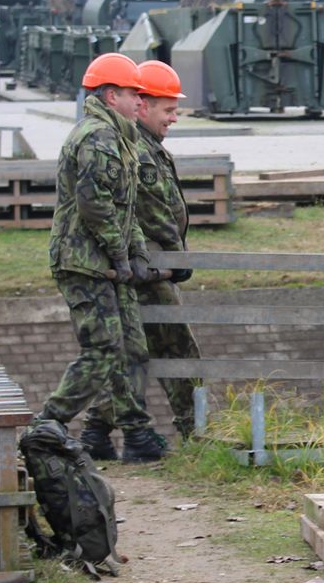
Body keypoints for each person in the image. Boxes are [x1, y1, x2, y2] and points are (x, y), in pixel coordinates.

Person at [35, 52, 166, 464]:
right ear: (112, 96)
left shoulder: (118, 134)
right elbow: (95, 204)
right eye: (133, 94)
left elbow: (127, 207)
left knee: (132, 348)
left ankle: (136, 434)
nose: (138, 102)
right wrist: (121, 254)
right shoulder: (97, 137)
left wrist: (137, 253)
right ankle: (46, 426)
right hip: (85, 262)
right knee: (103, 349)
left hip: (107, 262)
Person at [86, 60, 202, 448]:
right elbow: (154, 213)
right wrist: (177, 260)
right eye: (168, 110)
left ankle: (97, 430)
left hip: (148, 265)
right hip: (152, 267)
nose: (174, 118)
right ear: (143, 105)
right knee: (176, 347)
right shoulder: (140, 151)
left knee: (133, 350)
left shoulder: (145, 146)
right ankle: (195, 428)